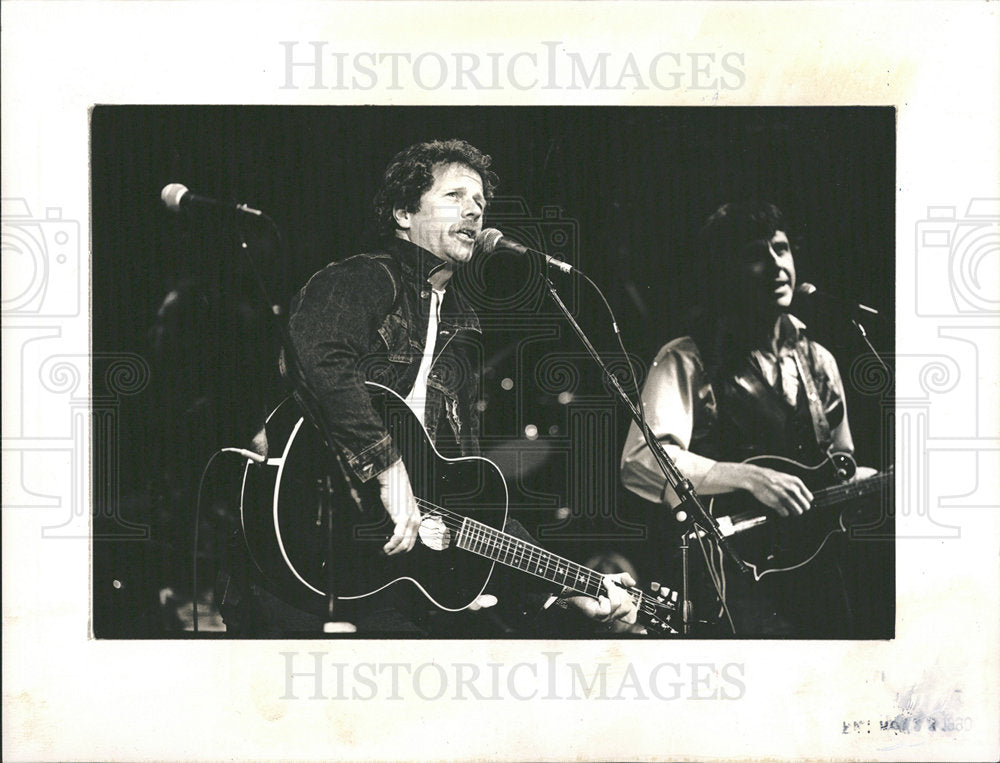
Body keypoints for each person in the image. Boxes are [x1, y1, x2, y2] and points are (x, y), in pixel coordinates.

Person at [219, 138, 640, 636]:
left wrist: (566, 587)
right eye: (454, 196)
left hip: (383, 581)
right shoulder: (360, 278)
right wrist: (387, 469)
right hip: (307, 549)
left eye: (480, 201)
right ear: (403, 213)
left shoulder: (462, 324)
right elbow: (318, 360)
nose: (474, 211)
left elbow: (468, 490)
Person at [620, 201, 885, 637]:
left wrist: (868, 486)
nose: (777, 264)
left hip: (817, 571)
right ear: (725, 273)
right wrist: (749, 478)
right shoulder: (688, 357)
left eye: (781, 248)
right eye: (755, 255)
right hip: (730, 580)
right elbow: (643, 460)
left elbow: (840, 462)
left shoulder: (819, 360)